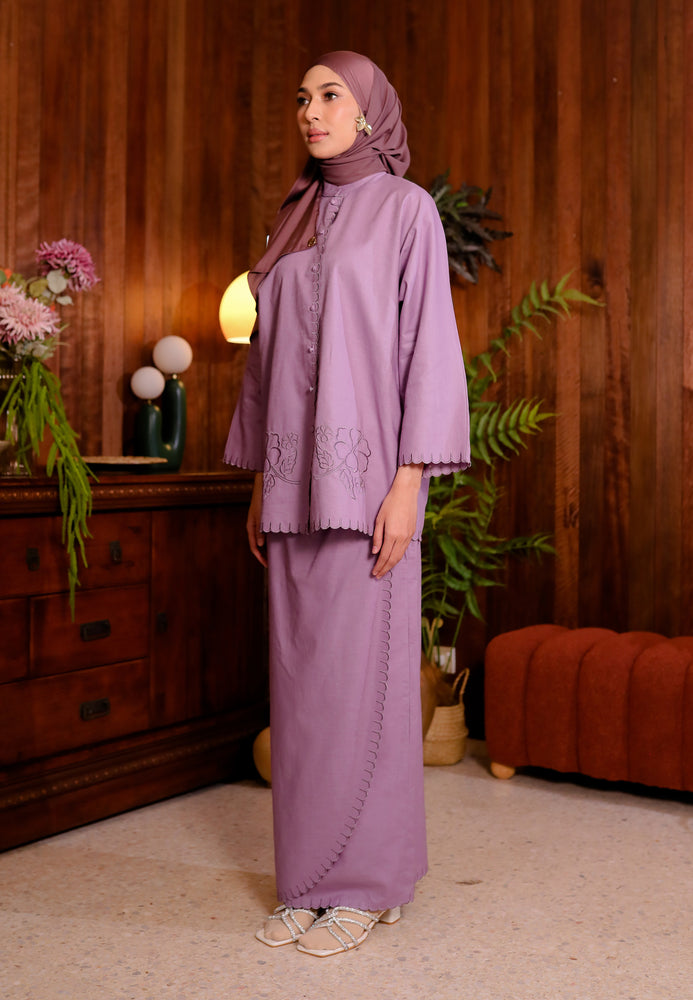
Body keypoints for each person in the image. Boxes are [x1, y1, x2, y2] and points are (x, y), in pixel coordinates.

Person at [224, 50, 470, 958]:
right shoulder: (293, 219)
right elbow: (264, 364)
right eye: (302, 98)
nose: (310, 110)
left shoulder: (406, 212)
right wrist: (259, 477)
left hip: (370, 490)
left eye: (330, 95)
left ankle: (369, 883)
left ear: (369, 112)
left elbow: (427, 347)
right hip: (290, 487)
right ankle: (309, 882)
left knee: (364, 685)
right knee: (301, 691)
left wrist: (409, 483)